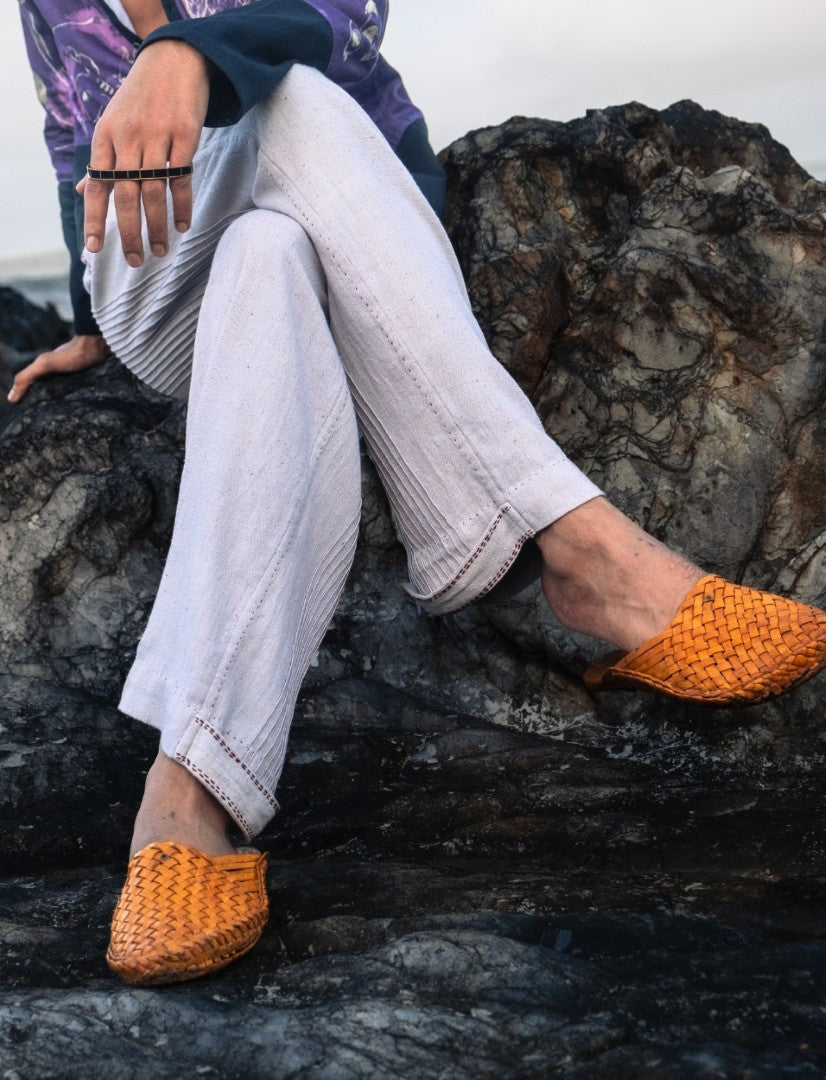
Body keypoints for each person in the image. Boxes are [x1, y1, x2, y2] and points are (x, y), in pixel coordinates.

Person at [11, 0, 826, 987]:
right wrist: (88, 321)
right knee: (280, 112)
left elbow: (333, 22)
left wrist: (186, 54)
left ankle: (191, 782)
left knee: (275, 204)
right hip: (156, 265)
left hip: (341, 196)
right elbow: (73, 135)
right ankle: (575, 547)